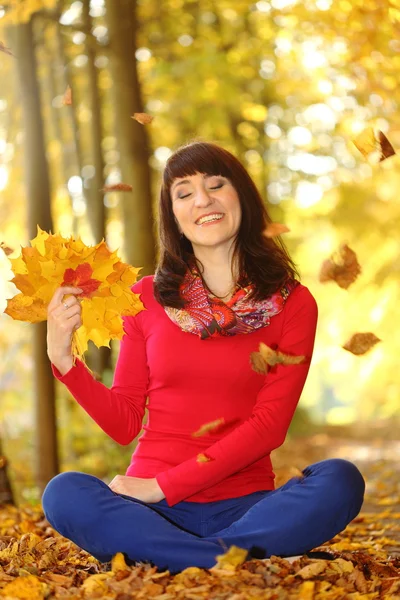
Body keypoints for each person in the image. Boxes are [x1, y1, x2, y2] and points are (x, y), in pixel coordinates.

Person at [42, 141, 365, 574]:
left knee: (341, 479)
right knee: (64, 492)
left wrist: (164, 485)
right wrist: (64, 360)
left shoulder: (293, 304)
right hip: (151, 512)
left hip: (247, 510)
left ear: (242, 200)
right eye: (185, 193)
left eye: (216, 185)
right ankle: (227, 560)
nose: (203, 200)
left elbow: (269, 427)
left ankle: (182, 556)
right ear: (173, 215)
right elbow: (124, 424)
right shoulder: (146, 299)